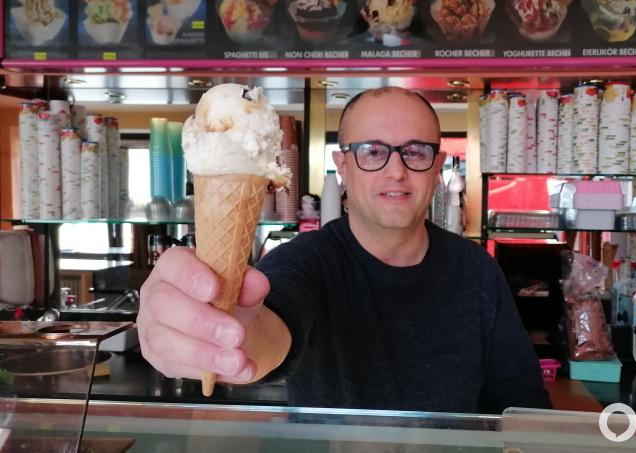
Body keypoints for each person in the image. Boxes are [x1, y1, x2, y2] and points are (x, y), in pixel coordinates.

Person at [138, 86, 551, 413]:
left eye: (415, 151)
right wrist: (227, 337)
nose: (396, 170)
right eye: (373, 151)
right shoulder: (308, 260)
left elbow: (520, 404)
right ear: (342, 164)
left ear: (438, 165)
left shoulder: (475, 270)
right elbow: (268, 326)